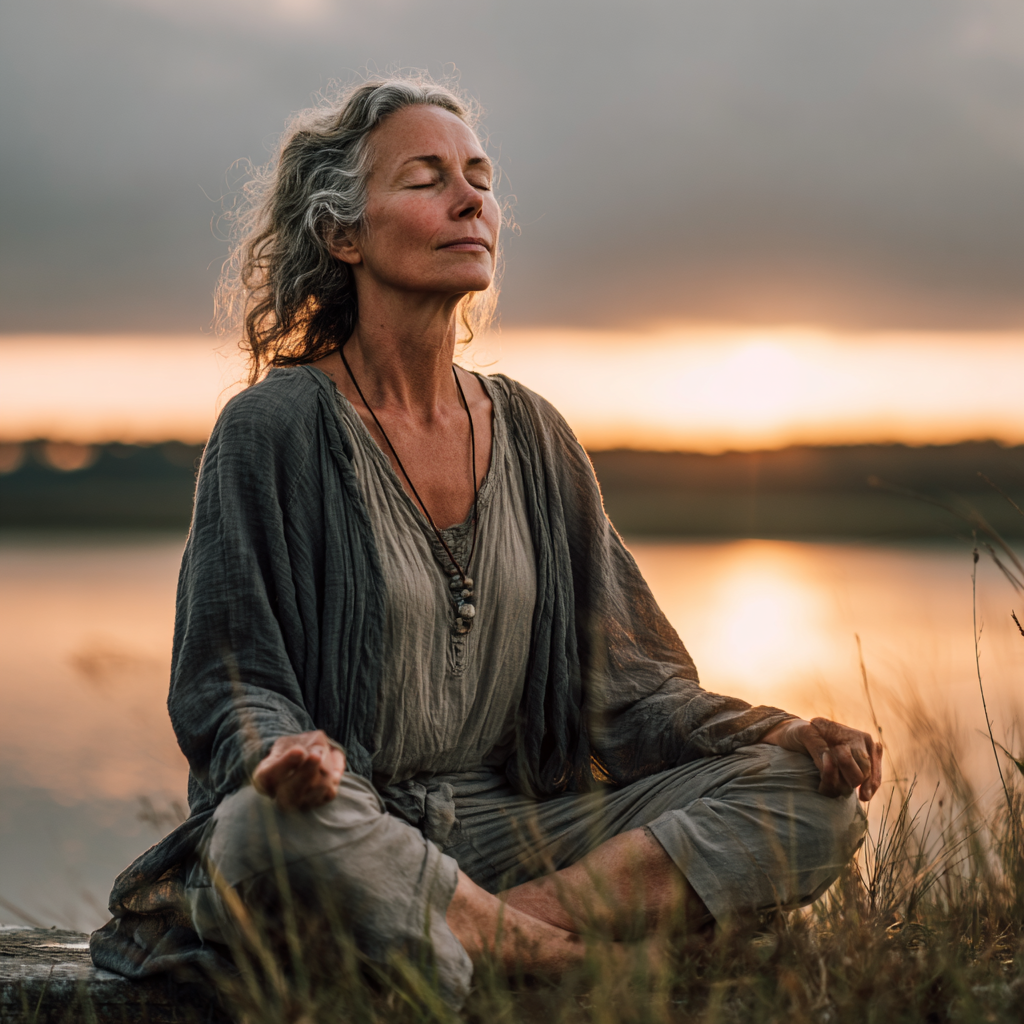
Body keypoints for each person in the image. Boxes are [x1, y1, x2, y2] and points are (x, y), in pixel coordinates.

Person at [90, 76, 882, 1010]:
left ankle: (480, 934)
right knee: (268, 832)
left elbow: (634, 692)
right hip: (352, 823)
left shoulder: (537, 436)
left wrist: (775, 732)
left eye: (481, 176)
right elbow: (233, 682)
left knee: (806, 799)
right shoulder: (271, 430)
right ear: (343, 234)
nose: (472, 200)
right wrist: (280, 758)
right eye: (427, 179)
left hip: (514, 831)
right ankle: (551, 954)